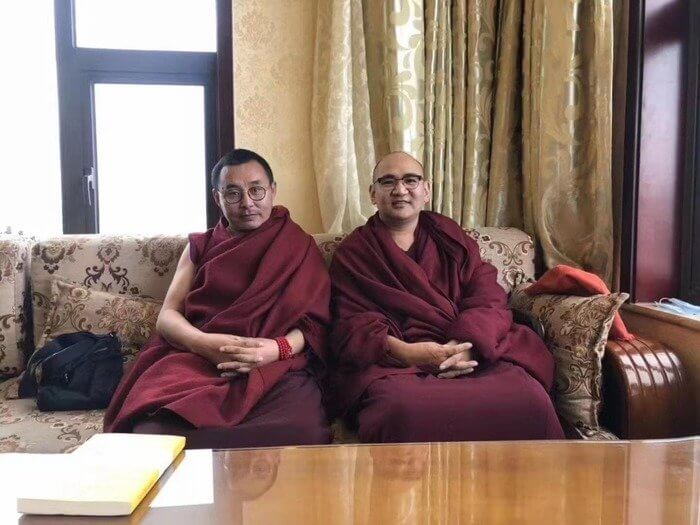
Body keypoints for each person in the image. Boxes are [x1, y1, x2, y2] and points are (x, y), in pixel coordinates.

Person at [328, 151, 564, 442]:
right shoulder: (355, 252)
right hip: (398, 363)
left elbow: (487, 295)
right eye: (387, 182)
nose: (400, 190)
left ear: (426, 191)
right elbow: (350, 321)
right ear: (372, 194)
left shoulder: (451, 238)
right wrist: (405, 352)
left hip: (469, 350)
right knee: (400, 410)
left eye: (410, 181)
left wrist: (466, 346)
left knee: (529, 400)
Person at [104, 148, 332, 447]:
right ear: (218, 198)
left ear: (273, 191)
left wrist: (276, 349)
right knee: (152, 433)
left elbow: (315, 323)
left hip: (272, 364)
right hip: (198, 358)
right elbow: (168, 316)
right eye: (233, 193)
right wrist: (206, 345)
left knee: (304, 433)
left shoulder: (298, 245)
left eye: (256, 190)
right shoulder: (202, 245)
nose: (247, 203)